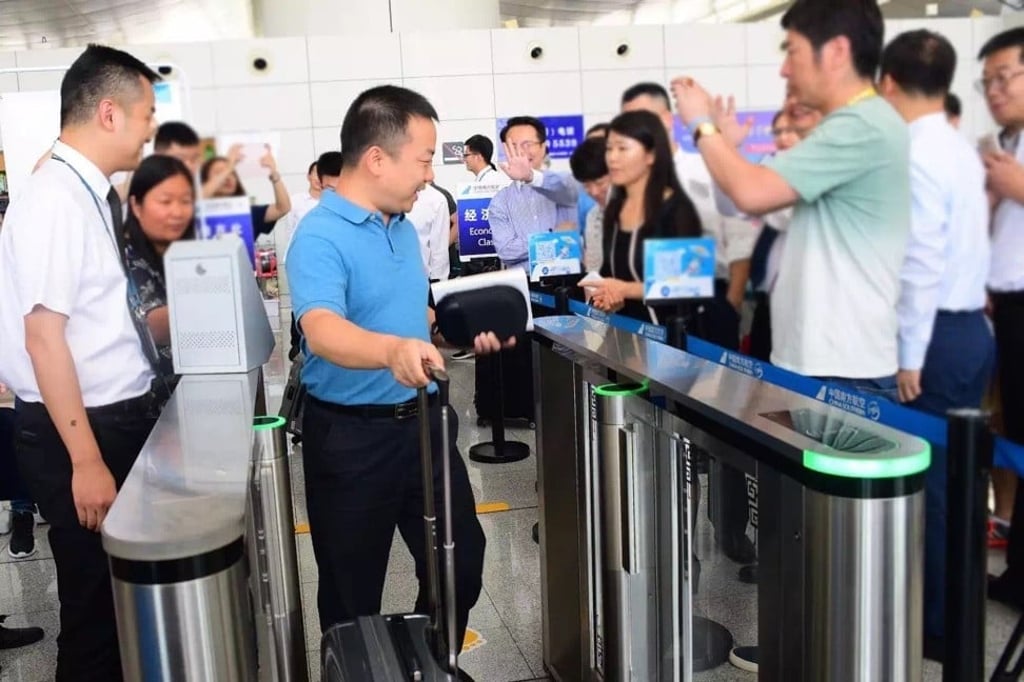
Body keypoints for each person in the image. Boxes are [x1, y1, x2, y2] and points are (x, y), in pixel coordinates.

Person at [286, 85, 510, 682]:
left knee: (459, 565)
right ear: (377, 158)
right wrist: (390, 351)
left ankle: (428, 663)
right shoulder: (319, 234)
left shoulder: (402, 228)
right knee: (350, 588)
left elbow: (415, 323)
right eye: (425, 157)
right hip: (351, 441)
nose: (430, 172)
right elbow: (323, 329)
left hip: (426, 427)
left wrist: (456, 332)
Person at [0, 43, 163, 681]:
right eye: (146, 112)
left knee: (115, 603)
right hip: (83, 431)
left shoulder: (85, 191)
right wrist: (87, 460)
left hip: (112, 418)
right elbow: (44, 337)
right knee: (94, 609)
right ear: (108, 112)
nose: (152, 128)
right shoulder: (54, 200)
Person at [672, 0, 908, 398]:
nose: (785, 69)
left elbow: (751, 192)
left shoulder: (861, 126)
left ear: (836, 51)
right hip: (819, 362)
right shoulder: (851, 127)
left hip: (844, 370)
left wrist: (700, 123)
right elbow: (745, 201)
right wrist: (725, 148)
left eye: (792, 51)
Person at [879, 28, 995, 661]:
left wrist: (909, 354)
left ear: (887, 83)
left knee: (937, 489)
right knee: (955, 484)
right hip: (968, 329)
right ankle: (951, 615)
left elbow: (921, 261)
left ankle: (941, 625)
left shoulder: (917, 153)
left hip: (936, 338)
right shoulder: (955, 147)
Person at [977, 26, 1024, 610]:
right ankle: (1018, 572)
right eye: (986, 80)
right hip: (1006, 309)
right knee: (1014, 434)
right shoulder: (1006, 144)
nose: (995, 89)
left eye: (1005, 76)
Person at [589, 110, 702, 323]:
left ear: (651, 155)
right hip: (623, 338)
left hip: (671, 343)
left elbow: (687, 285)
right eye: (609, 148)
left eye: (622, 148)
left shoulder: (676, 209)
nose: (612, 157)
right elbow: (609, 274)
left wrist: (626, 290)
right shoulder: (614, 209)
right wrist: (607, 296)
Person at [121, 155, 197, 381]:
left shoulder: (177, 252)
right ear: (136, 205)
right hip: (148, 401)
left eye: (185, 201)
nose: (177, 212)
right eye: (165, 201)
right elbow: (155, 327)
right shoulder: (126, 256)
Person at [488, 116, 578, 271]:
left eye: (527, 144)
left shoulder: (563, 185)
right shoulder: (500, 202)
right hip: (524, 284)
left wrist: (530, 177)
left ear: (543, 147)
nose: (521, 151)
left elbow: (570, 190)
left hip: (568, 281)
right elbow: (506, 251)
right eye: (514, 145)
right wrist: (552, 237)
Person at [199, 145, 291, 237]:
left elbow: (283, 208)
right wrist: (228, 167)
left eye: (232, 173)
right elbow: (197, 199)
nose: (228, 177)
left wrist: (273, 173)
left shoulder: (248, 213)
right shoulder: (196, 213)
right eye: (220, 172)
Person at [569, 136, 611, 272]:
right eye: (586, 185)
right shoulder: (593, 217)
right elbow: (593, 270)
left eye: (600, 183)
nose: (594, 191)